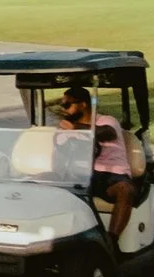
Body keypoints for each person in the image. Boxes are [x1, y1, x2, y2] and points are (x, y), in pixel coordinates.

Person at [55, 85, 134, 245]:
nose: (65, 110)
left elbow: (107, 133)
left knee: (126, 190)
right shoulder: (66, 127)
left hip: (112, 175)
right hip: (82, 174)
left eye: (67, 105)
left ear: (83, 104)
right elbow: (62, 150)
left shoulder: (105, 121)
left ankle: (111, 241)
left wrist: (76, 128)